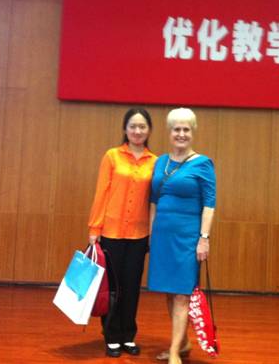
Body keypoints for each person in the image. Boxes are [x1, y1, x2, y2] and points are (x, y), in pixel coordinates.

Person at [148, 108, 217, 364]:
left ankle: (175, 352)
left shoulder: (203, 164)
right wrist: (152, 234)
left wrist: (204, 238)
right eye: (176, 129)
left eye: (186, 129)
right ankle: (183, 342)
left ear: (193, 132)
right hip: (162, 237)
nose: (181, 134)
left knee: (182, 293)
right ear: (169, 132)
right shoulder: (160, 162)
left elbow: (209, 204)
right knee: (169, 291)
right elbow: (153, 200)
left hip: (187, 238)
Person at [87, 108, 157, 358]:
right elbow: (101, 193)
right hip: (111, 232)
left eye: (142, 126)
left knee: (132, 287)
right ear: (125, 129)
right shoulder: (112, 156)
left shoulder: (155, 161)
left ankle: (128, 335)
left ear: (149, 130)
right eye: (133, 126)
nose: (137, 131)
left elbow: (155, 201)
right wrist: (94, 228)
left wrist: (154, 233)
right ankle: (111, 335)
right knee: (112, 287)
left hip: (139, 235)